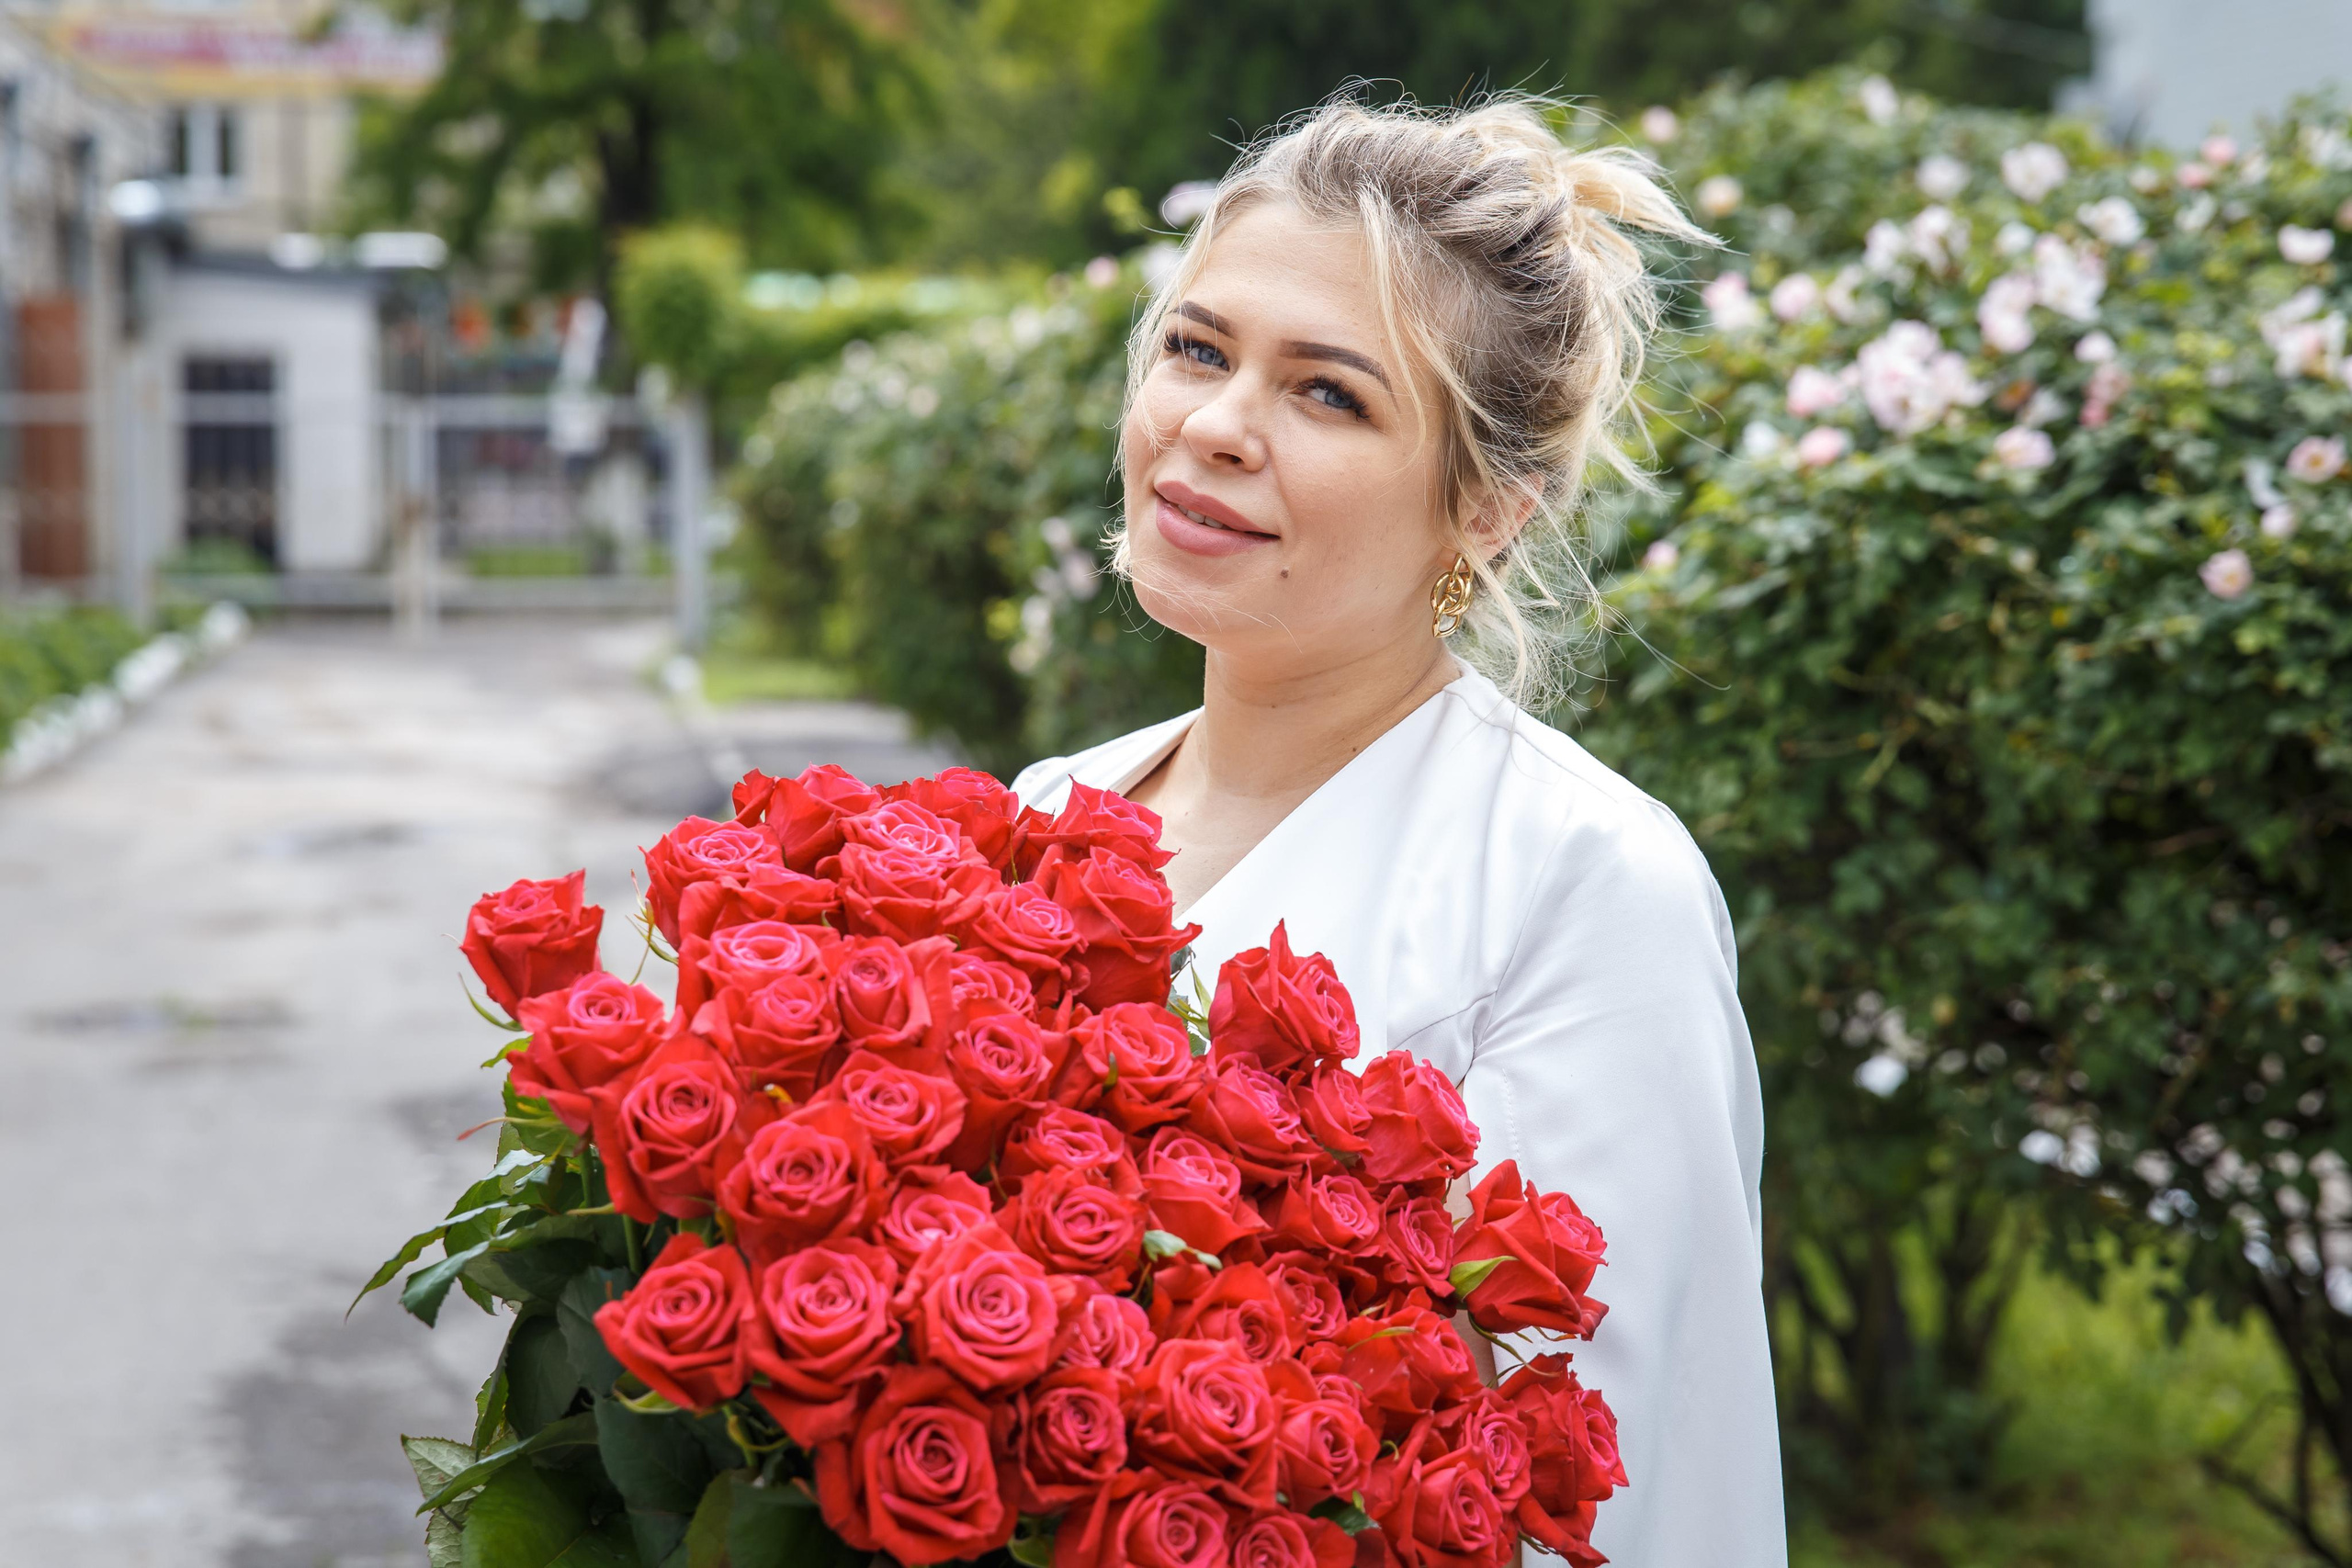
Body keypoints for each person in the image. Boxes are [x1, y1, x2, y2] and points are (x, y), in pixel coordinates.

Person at [1011, 97, 1786, 1563]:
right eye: (1199, 349)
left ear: (1486, 510)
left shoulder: (1580, 882)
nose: (1213, 426)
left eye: (1329, 395)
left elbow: (1602, 1480)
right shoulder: (1040, 815)